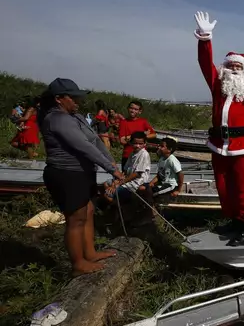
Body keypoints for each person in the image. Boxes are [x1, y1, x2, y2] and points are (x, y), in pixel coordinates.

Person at [193, 11, 244, 246]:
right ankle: (233, 220)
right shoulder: (218, 85)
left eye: (238, 66)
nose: (234, 69)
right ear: (224, 68)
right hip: (219, 146)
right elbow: (203, 62)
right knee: (224, 186)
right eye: (230, 65)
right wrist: (205, 38)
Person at [38, 78, 124, 276]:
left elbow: (94, 141)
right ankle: (78, 264)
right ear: (59, 99)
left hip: (83, 173)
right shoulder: (57, 119)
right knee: (75, 219)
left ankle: (90, 253)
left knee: (88, 211)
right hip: (66, 174)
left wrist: (111, 163)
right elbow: (82, 146)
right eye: (74, 97)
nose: (78, 101)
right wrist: (110, 169)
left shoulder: (74, 117)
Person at [102, 131, 151, 204]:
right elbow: (125, 171)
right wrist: (118, 180)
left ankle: (120, 207)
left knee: (108, 194)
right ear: (131, 143)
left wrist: (120, 183)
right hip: (127, 180)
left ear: (144, 144)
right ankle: (119, 203)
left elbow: (137, 174)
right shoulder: (132, 153)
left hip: (136, 183)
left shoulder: (144, 154)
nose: (137, 146)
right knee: (106, 183)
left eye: (140, 144)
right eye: (135, 143)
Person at [118, 101, 156, 169]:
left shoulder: (143, 121)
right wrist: (141, 134)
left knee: (140, 177)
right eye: (131, 108)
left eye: (136, 109)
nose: (133, 110)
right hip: (127, 155)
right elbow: (122, 140)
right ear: (128, 108)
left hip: (141, 155)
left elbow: (153, 134)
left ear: (140, 111)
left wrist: (142, 137)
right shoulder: (123, 122)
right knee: (125, 177)